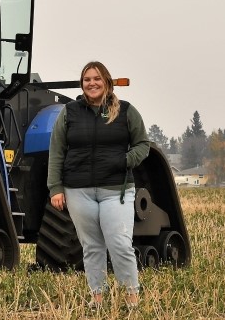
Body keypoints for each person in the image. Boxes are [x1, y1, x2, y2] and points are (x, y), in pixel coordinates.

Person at [47, 61, 150, 308]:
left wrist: (125, 160)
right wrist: (55, 188)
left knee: (119, 244)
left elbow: (143, 145)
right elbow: (57, 150)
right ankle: (98, 298)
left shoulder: (125, 111)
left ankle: (131, 298)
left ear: (106, 82)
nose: (92, 83)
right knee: (92, 247)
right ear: (82, 85)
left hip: (116, 190)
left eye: (97, 78)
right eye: (87, 79)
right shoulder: (70, 112)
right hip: (77, 190)